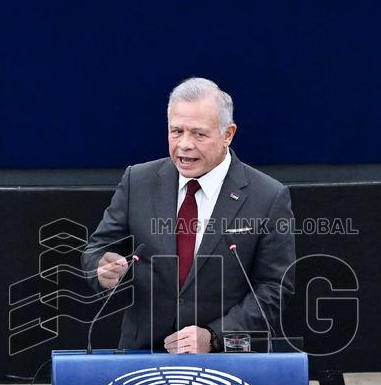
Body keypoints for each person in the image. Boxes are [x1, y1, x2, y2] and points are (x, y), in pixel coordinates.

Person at [82, 77, 295, 353]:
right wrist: (102, 270)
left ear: (228, 134)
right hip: (141, 354)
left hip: (222, 359)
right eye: (176, 131)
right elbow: (97, 250)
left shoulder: (268, 196)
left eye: (199, 134)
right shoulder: (138, 181)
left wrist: (215, 336)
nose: (184, 144)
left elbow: (274, 287)